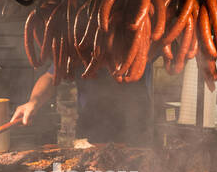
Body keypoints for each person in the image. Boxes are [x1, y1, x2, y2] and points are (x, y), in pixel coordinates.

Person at [11, 60, 153, 143]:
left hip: (137, 127)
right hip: (92, 129)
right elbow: (50, 77)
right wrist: (34, 101)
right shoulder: (80, 42)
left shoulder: (138, 34)